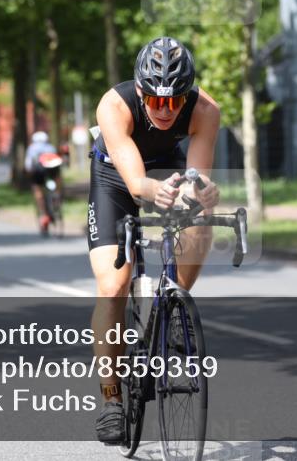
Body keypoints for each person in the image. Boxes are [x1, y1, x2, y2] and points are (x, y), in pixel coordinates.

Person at [88, 36, 220, 444]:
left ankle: (174, 301)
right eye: (155, 100)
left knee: (199, 213)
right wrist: (153, 190)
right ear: (141, 91)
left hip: (168, 167)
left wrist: (200, 194)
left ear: (187, 95)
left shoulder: (205, 110)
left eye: (175, 101)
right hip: (116, 176)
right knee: (114, 286)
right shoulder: (114, 106)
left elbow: (196, 177)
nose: (165, 110)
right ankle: (111, 398)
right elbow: (135, 182)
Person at [24, 131, 59, 233]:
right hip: (51, 172)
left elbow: (28, 165)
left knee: (38, 190)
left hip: (38, 172)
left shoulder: (32, 148)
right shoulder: (51, 147)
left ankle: (43, 214)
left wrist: (28, 173)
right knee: (55, 183)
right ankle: (56, 198)